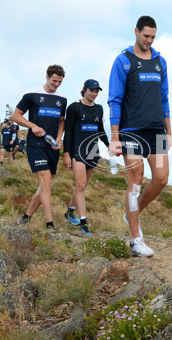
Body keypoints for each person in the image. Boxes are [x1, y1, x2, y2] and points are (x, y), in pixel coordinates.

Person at [108, 15, 171, 257]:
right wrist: (115, 138)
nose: (149, 40)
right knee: (135, 182)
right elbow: (114, 100)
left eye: (153, 37)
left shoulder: (160, 61)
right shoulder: (123, 61)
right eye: (146, 36)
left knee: (162, 179)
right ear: (136, 32)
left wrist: (169, 129)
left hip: (156, 130)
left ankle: (131, 213)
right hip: (130, 131)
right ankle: (135, 239)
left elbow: (164, 97)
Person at [11, 65, 67, 229]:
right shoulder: (32, 94)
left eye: (60, 82)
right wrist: (32, 126)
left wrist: (59, 138)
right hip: (36, 145)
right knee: (46, 183)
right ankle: (49, 224)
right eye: (54, 81)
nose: (56, 85)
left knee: (45, 185)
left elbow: (62, 120)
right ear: (47, 77)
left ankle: (26, 216)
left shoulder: (62, 98)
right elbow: (15, 116)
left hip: (52, 147)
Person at [63, 79, 110, 237]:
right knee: (81, 185)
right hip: (77, 151)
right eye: (91, 90)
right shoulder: (74, 107)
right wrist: (66, 154)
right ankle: (84, 223)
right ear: (84, 90)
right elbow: (68, 132)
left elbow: (100, 130)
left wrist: (109, 144)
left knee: (82, 186)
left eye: (97, 91)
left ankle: (69, 212)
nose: (94, 94)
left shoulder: (99, 109)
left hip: (92, 152)